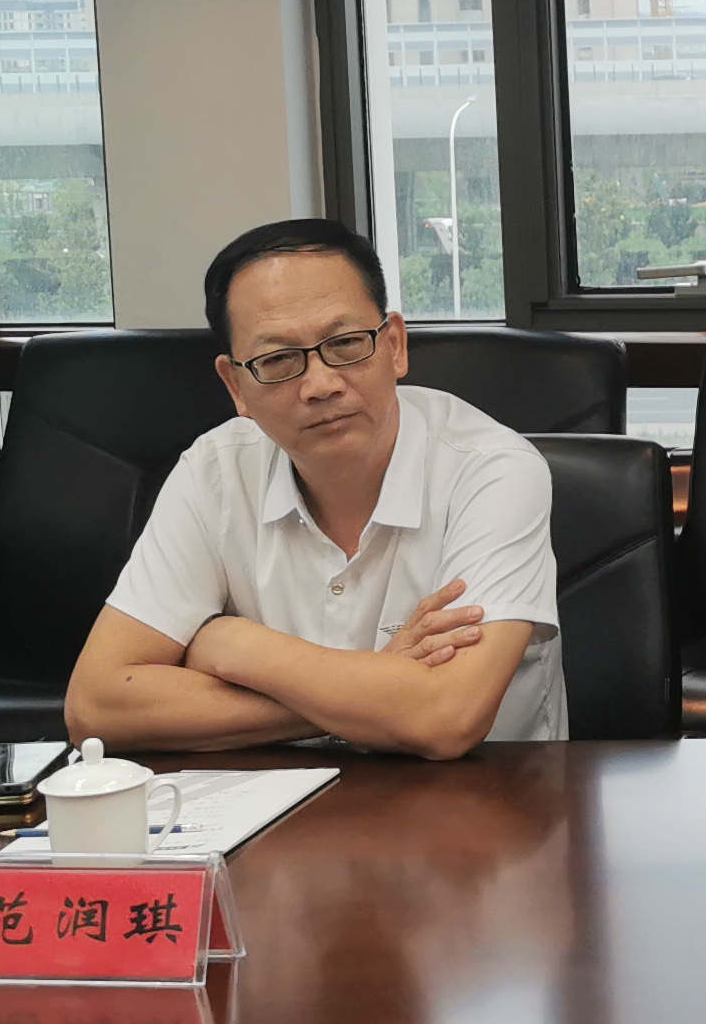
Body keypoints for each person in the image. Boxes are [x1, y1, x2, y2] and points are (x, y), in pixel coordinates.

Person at [65, 217, 561, 758]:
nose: (321, 385)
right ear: (235, 385)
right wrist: (378, 689)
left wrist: (235, 645)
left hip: (490, 798)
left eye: (346, 344)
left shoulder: (493, 470)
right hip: (281, 800)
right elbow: (97, 706)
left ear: (395, 345)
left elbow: (446, 715)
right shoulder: (216, 470)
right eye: (278, 360)